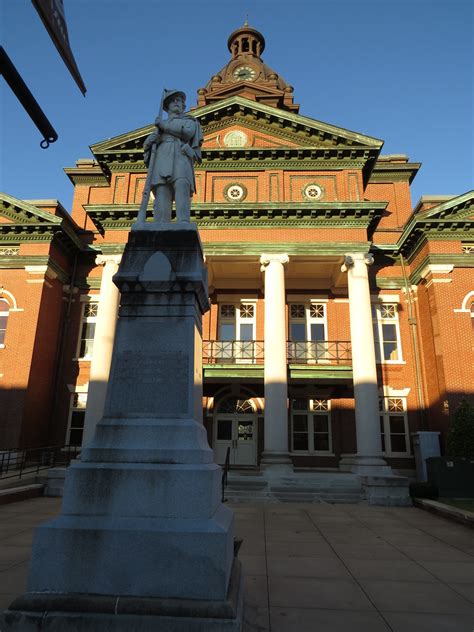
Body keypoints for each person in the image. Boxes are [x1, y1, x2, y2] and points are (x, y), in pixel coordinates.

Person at [143, 90, 202, 222]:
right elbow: (148, 148)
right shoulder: (159, 127)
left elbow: (187, 133)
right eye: (173, 101)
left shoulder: (189, 121)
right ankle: (160, 224)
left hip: (181, 157)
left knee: (182, 186)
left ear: (184, 107)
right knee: (162, 191)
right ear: (167, 107)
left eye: (179, 101)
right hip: (163, 158)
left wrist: (163, 125)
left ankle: (183, 222)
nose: (176, 102)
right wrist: (149, 142)